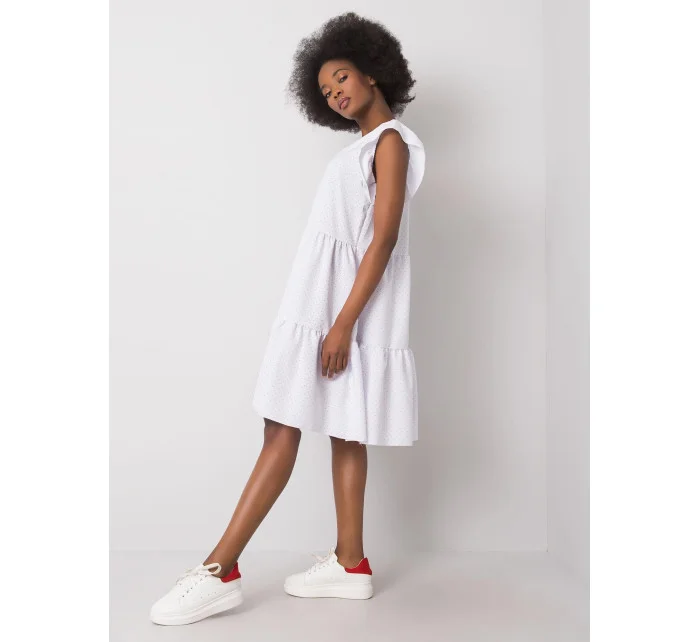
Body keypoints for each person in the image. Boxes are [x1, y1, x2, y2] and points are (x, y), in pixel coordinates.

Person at [150, 11, 426, 626]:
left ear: (372, 71)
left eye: (342, 78)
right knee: (345, 429)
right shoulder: (363, 147)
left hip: (339, 311)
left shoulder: (390, 143)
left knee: (282, 427)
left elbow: (382, 240)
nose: (335, 93)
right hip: (325, 305)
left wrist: (343, 324)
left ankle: (220, 570)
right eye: (325, 90)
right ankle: (351, 563)